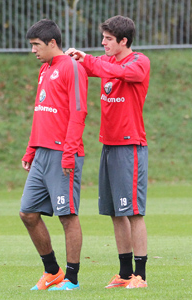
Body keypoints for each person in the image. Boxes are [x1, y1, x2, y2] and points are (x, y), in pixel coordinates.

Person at [66, 15, 150, 289]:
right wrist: (82, 58)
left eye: (109, 39)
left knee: (134, 213)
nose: (103, 43)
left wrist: (95, 62)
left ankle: (141, 276)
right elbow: (92, 66)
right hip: (109, 146)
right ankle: (125, 274)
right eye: (103, 38)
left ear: (124, 41)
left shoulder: (139, 61)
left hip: (130, 146)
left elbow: (131, 73)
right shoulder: (107, 63)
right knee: (116, 212)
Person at [20, 19, 88, 291]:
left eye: (37, 45)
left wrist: (69, 153)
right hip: (42, 153)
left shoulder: (71, 67)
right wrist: (31, 148)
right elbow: (41, 110)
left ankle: (72, 279)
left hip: (63, 153)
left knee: (67, 215)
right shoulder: (44, 70)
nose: (33, 51)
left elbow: (78, 112)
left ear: (52, 43)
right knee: (28, 213)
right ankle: (52, 271)